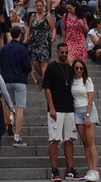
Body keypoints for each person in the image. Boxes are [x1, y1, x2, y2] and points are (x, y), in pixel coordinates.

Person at [43, 42, 78, 182]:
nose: (64, 54)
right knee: (54, 139)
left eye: (66, 52)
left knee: (69, 139)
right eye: (62, 52)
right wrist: (51, 107)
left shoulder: (70, 68)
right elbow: (47, 88)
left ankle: (70, 170)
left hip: (69, 108)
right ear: (57, 52)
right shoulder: (51, 67)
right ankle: (54, 170)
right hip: (56, 109)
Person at [0, 26, 33, 147]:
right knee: (20, 108)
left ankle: (11, 119)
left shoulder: (4, 49)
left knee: (11, 106)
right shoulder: (21, 48)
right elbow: (27, 66)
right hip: (19, 79)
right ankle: (17, 137)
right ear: (20, 35)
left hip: (6, 79)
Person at [71, 59, 101, 181]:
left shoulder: (87, 80)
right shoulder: (72, 81)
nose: (79, 70)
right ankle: (90, 168)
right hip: (77, 110)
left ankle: (95, 169)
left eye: (81, 68)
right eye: (76, 68)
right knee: (84, 142)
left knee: (90, 141)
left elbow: (90, 98)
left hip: (88, 110)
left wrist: (88, 115)